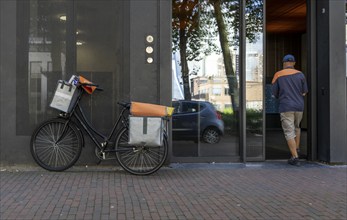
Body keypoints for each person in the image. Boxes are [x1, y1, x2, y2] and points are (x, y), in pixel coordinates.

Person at [272, 54, 308, 166]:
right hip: (299, 107)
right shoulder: (300, 74)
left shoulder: (278, 75)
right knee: (297, 128)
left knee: (289, 132)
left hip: (286, 106)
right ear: (294, 63)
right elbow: (304, 92)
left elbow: (274, 93)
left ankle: (295, 158)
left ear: (283, 63)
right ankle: (296, 149)